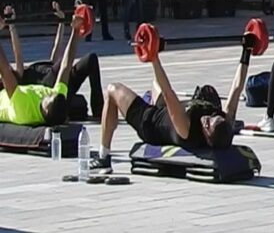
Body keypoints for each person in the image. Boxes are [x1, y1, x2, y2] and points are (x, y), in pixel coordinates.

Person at [92, 40, 250, 172]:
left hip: (149, 122)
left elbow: (169, 93)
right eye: (213, 117)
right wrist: (247, 50)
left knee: (112, 90)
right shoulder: (224, 125)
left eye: (208, 123)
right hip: (164, 109)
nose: (207, 118)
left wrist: (154, 58)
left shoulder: (187, 129)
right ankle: (151, 98)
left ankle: (103, 157)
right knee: (155, 84)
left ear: (207, 137)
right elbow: (236, 89)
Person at [6, 2, 104, 118]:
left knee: (91, 59)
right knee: (60, 65)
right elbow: (18, 54)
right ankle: (78, 24)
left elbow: (56, 50)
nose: (10, 66)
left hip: (62, 79)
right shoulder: (20, 76)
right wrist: (11, 24)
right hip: (53, 88)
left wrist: (61, 22)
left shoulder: (36, 68)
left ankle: (98, 111)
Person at [0, 11, 82, 128]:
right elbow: (66, 66)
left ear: (46, 111)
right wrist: (76, 31)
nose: (47, 94)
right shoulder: (56, 97)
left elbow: (4, 69)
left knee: (14, 71)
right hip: (15, 88)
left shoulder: (23, 108)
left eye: (48, 98)